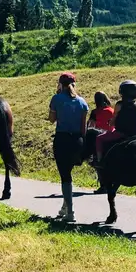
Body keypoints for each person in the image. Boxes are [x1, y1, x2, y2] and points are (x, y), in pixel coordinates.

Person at [48, 72, 89, 222]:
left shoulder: (56, 98)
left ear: (60, 84)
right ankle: (64, 207)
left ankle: (70, 212)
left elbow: (51, 119)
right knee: (68, 174)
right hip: (78, 141)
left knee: (65, 176)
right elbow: (83, 127)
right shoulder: (82, 102)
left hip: (62, 139)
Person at [96, 80, 136, 163]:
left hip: (121, 133)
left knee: (99, 139)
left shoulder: (119, 105)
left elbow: (114, 119)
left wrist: (110, 123)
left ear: (122, 92)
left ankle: (100, 161)